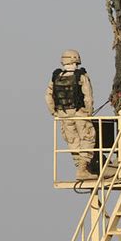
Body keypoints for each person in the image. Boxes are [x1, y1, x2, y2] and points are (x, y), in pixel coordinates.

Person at [45, 50, 96, 180]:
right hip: (79, 113)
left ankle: (80, 167)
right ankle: (83, 169)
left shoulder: (56, 76)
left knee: (73, 141)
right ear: (76, 60)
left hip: (63, 114)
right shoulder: (81, 75)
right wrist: (89, 112)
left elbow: (48, 96)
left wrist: (54, 112)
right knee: (88, 138)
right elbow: (88, 97)